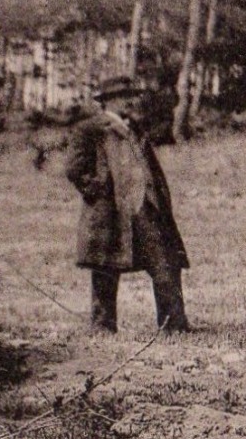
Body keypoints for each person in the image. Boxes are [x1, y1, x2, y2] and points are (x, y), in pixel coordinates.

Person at [65, 77, 191, 334]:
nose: (130, 100)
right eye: (124, 96)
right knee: (105, 267)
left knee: (166, 261)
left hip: (145, 206)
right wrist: (97, 190)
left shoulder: (136, 128)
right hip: (111, 210)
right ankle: (103, 326)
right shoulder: (89, 129)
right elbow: (74, 168)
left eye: (131, 95)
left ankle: (174, 325)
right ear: (108, 101)